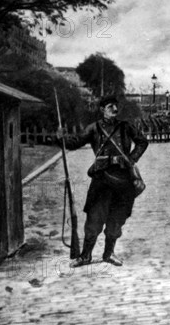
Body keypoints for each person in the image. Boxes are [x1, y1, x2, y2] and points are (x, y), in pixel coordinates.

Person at [57, 95, 148, 268]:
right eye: (110, 106)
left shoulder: (126, 127)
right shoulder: (94, 128)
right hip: (101, 181)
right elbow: (75, 142)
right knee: (94, 220)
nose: (114, 109)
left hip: (123, 182)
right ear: (102, 109)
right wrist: (61, 138)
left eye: (116, 106)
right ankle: (85, 256)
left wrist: (132, 158)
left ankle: (109, 254)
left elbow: (143, 142)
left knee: (116, 220)